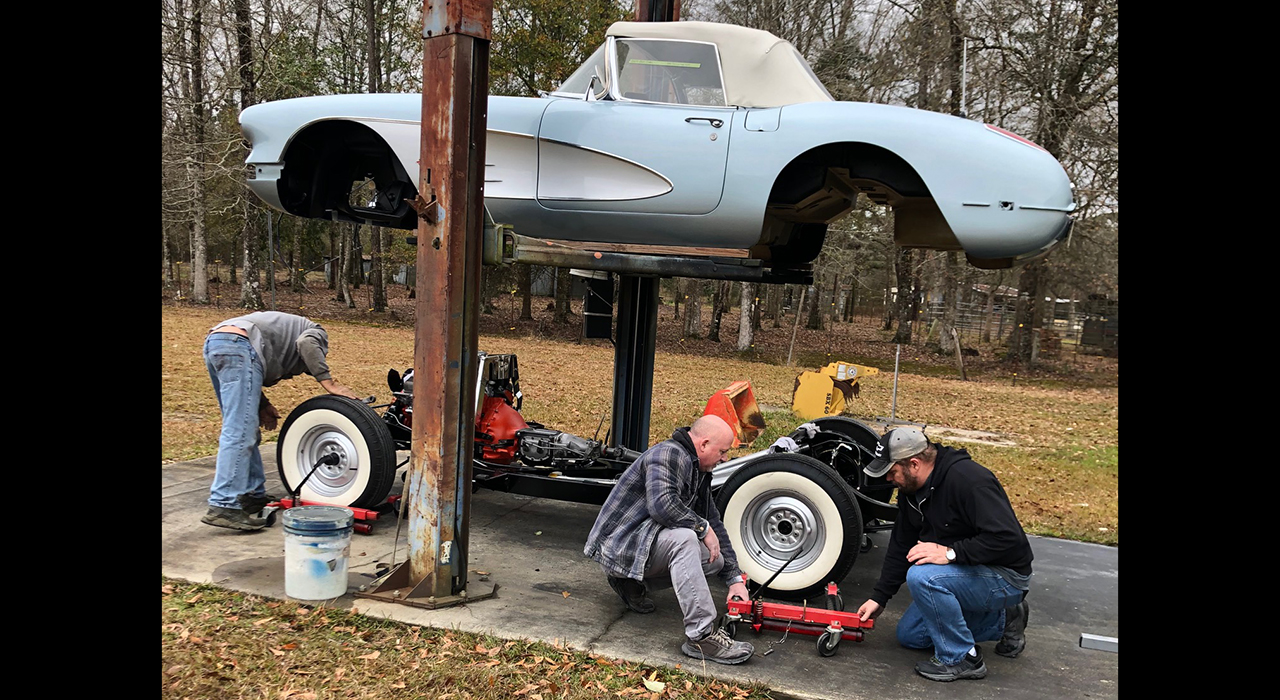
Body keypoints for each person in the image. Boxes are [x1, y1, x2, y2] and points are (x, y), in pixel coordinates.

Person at [854, 427, 1033, 682]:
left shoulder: (970, 481)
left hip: (1005, 576)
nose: (888, 480)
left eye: (891, 472)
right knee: (910, 636)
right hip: (966, 572)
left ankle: (962, 658)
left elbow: (1007, 539)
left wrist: (951, 553)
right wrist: (879, 597)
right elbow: (901, 546)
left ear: (913, 464)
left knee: (923, 576)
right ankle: (1005, 619)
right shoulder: (910, 491)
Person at [583, 415, 754, 664]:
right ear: (704, 444)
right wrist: (702, 528)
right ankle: (701, 637)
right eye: (723, 452)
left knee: (714, 559)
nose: (725, 458)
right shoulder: (668, 455)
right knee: (685, 539)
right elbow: (662, 507)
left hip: (644, 545)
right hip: (622, 547)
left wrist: (734, 578)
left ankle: (632, 585)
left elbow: (714, 521)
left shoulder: (698, 468)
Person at [202, 311, 361, 531]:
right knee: (239, 432)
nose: (299, 373)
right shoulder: (317, 333)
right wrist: (329, 383)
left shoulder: (286, 332)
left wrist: (262, 404)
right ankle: (223, 503)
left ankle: (252, 494)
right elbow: (307, 344)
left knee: (246, 428)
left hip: (219, 342)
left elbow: (253, 365)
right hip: (239, 345)